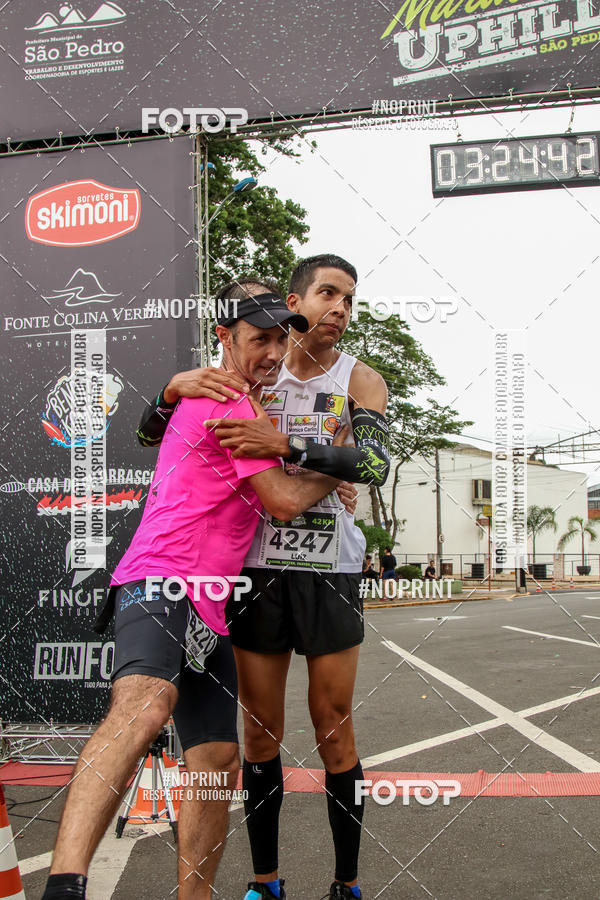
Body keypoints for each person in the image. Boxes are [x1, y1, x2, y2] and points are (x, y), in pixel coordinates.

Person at [42, 291, 345, 900]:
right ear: (224, 336)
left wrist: (163, 398)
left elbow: (168, 437)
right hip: (164, 580)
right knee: (145, 705)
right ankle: (65, 885)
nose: (273, 351)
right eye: (259, 337)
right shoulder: (224, 398)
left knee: (217, 765)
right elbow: (285, 502)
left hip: (211, 608)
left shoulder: (232, 404)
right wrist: (338, 471)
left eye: (282, 339)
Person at [138, 255, 390, 900]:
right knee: (258, 732)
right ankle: (266, 881)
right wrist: (166, 392)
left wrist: (291, 450)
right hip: (254, 569)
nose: (340, 310)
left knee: (334, 725)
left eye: (350, 300)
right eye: (328, 295)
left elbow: (377, 463)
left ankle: (346, 883)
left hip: (329, 568)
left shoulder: (360, 378)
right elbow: (151, 432)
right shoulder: (248, 372)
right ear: (293, 303)